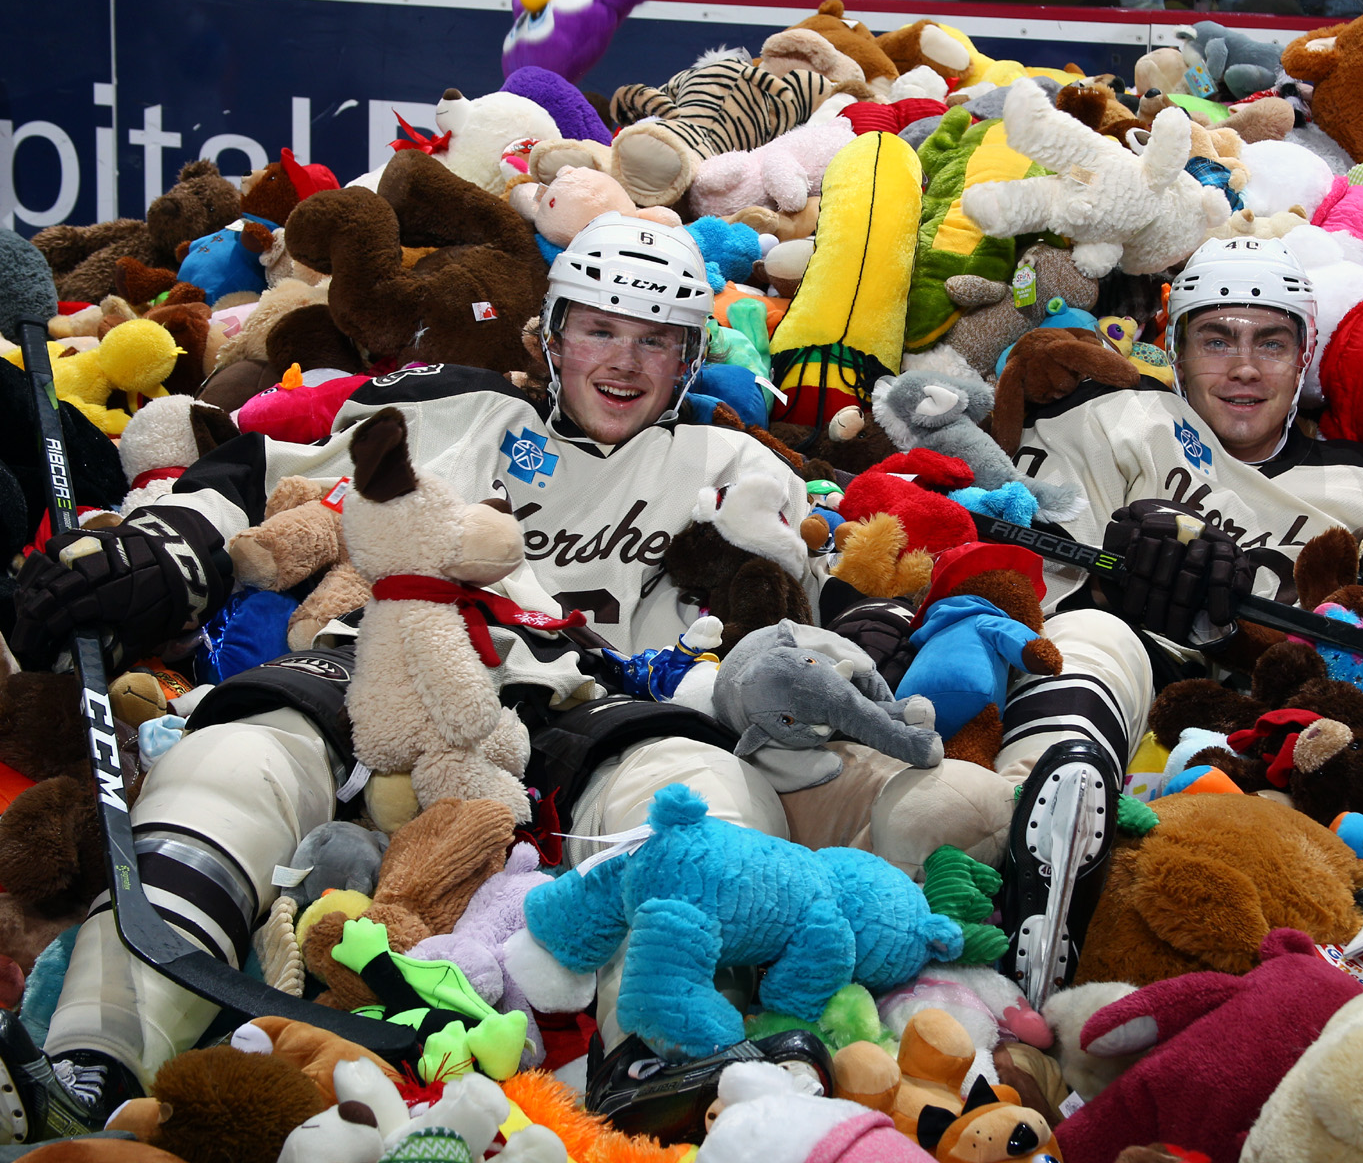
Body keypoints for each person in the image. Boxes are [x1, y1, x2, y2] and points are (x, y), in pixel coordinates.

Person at [0, 213, 1182, 1139]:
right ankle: (98, 1056)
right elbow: (254, 477)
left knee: (700, 801)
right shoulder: (448, 413)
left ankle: (665, 1059)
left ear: (687, 354)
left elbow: (796, 631)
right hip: (392, 674)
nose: (623, 361)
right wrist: (158, 557)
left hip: (606, 702)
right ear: (549, 334)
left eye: (655, 338)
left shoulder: (734, 463)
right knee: (229, 759)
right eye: (599, 329)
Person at [1011, 236, 1363, 657]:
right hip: (1098, 672)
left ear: (1303, 358)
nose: (1244, 368)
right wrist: (1106, 591)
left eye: (1271, 344)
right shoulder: (1117, 413)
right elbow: (1014, 598)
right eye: (1216, 343)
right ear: (1177, 353)